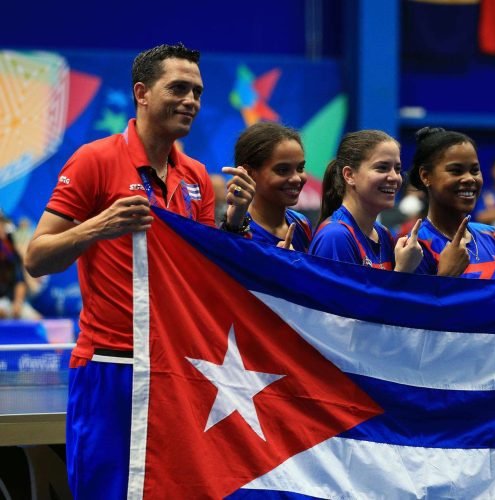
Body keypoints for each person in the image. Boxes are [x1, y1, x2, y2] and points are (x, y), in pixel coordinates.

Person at [23, 43, 253, 499]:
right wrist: (98, 226)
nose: (191, 100)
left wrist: (236, 223)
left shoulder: (197, 178)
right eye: (179, 88)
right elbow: (36, 258)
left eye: (198, 92)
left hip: (177, 370)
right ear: (142, 93)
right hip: (112, 366)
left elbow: (201, 276)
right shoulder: (95, 159)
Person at [310, 130, 423, 272]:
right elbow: (343, 295)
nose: (395, 177)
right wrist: (403, 271)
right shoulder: (335, 237)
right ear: (349, 175)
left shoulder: (383, 234)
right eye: (382, 168)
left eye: (397, 169)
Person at [407, 127, 495, 279]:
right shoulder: (417, 246)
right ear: (425, 176)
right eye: (456, 171)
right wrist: (446, 276)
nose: (470, 178)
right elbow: (416, 303)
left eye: (475, 170)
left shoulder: (490, 236)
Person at [233, 122, 312, 251]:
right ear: (249, 173)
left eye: (300, 168)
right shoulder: (236, 230)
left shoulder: (301, 224)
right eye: (282, 170)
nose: (297, 178)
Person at [0, 213, 40, 319]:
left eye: (2, 223)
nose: (1, 227)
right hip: (2, 305)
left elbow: (20, 279)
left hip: (9, 302)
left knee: (37, 320)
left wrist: (18, 303)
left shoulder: (10, 246)